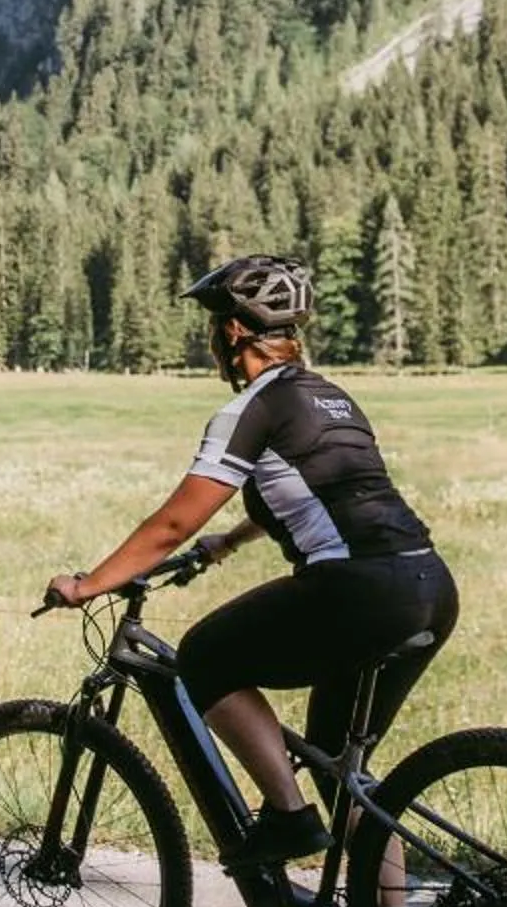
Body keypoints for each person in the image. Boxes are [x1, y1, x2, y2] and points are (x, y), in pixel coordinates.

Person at [45, 254, 461, 871]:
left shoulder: (250, 409)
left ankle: (289, 820)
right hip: (428, 584)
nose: (211, 341)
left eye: (213, 328)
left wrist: (88, 584)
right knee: (338, 766)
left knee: (205, 657)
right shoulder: (331, 398)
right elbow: (313, 491)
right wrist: (226, 545)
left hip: (356, 590)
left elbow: (173, 523)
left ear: (234, 331)